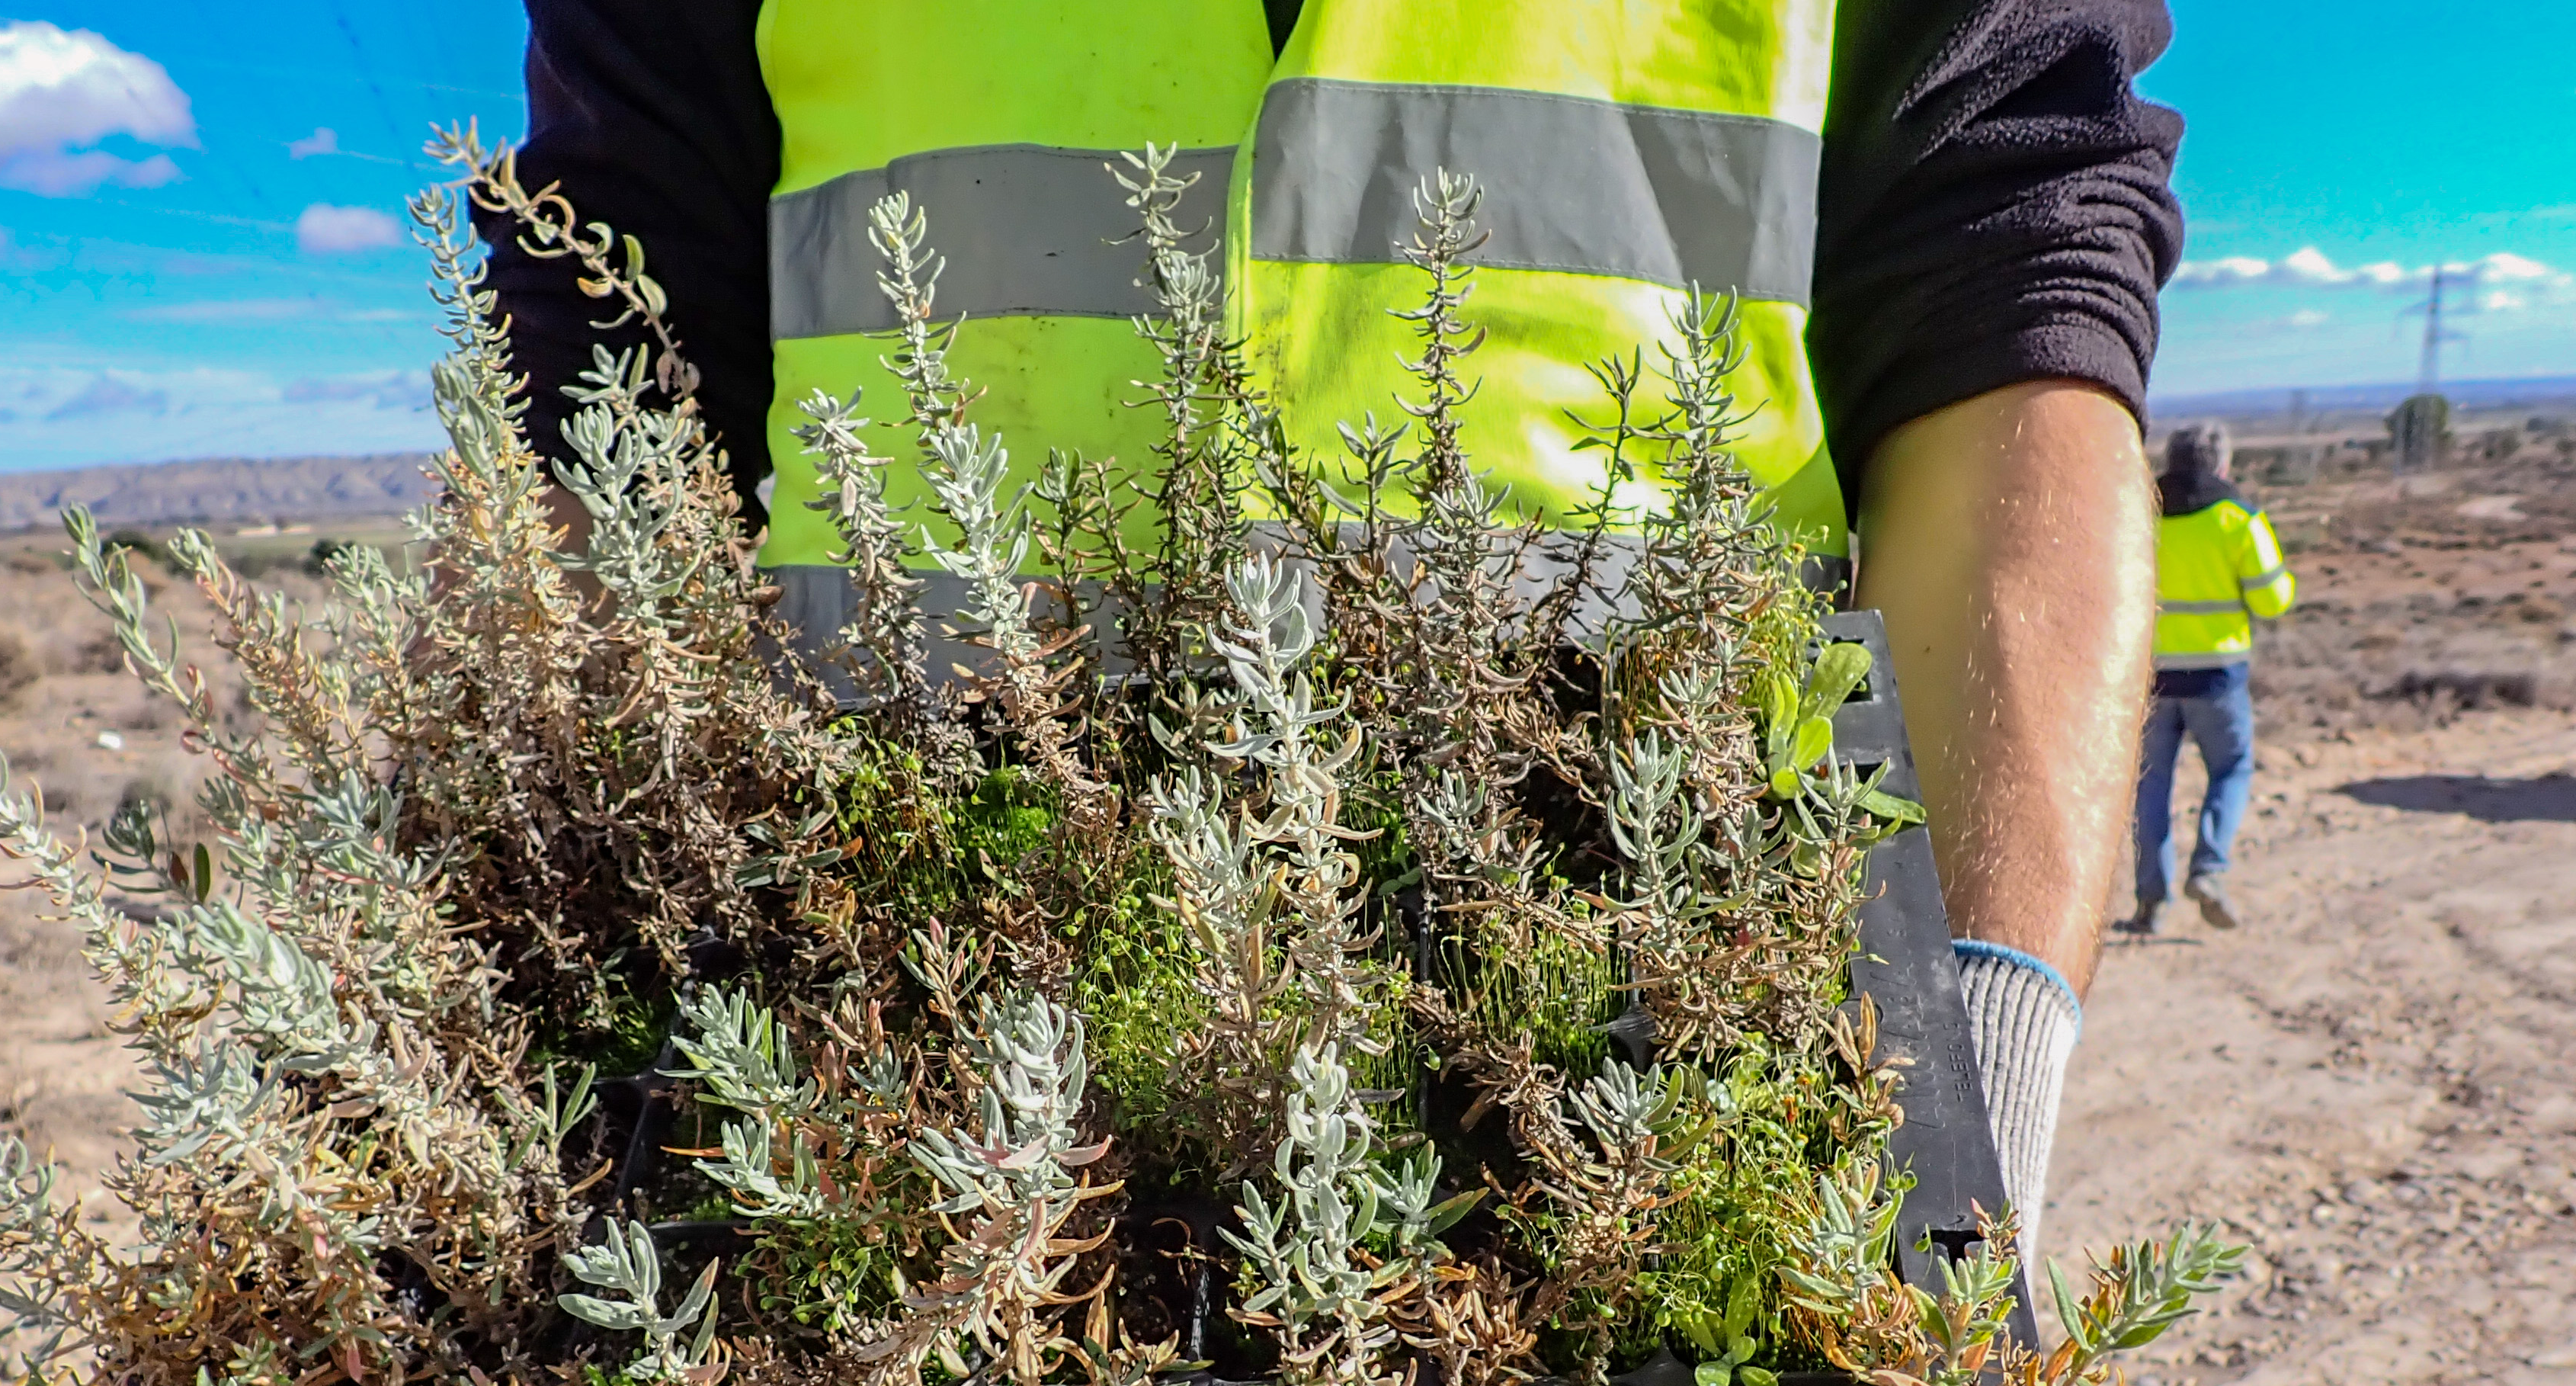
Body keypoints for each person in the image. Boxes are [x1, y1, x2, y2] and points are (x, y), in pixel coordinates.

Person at [481, 0, 2183, 1258]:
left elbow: (2008, 260)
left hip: (1673, 1059)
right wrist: (547, 1030)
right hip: (919, 1064)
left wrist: (1970, 1068)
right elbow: (608, 351)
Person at [2121, 423, 2294, 935]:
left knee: (2151, 787)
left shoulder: (2140, 516)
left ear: (2170, 463)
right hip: (2217, 679)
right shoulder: (2238, 520)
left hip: (2153, 679)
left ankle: (2151, 902)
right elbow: (2274, 599)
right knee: (2233, 769)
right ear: (2222, 465)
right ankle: (2210, 871)